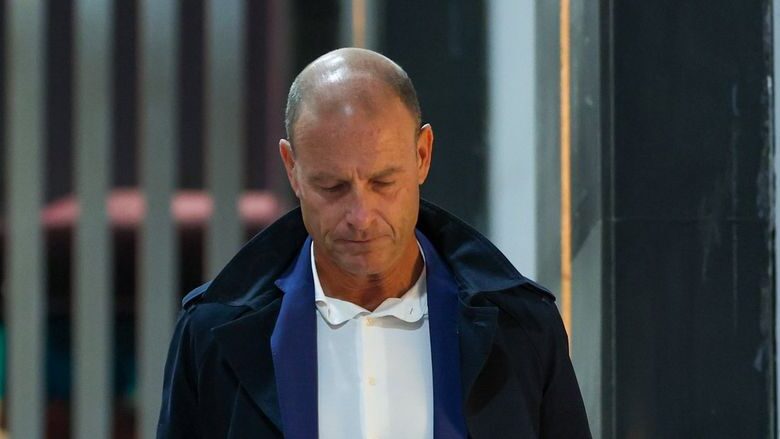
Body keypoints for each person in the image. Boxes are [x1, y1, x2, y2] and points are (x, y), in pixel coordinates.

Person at [157, 47, 591, 439]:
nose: (361, 216)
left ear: (422, 155)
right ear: (292, 169)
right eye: (332, 187)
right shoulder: (210, 336)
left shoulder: (522, 329)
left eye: (383, 182)